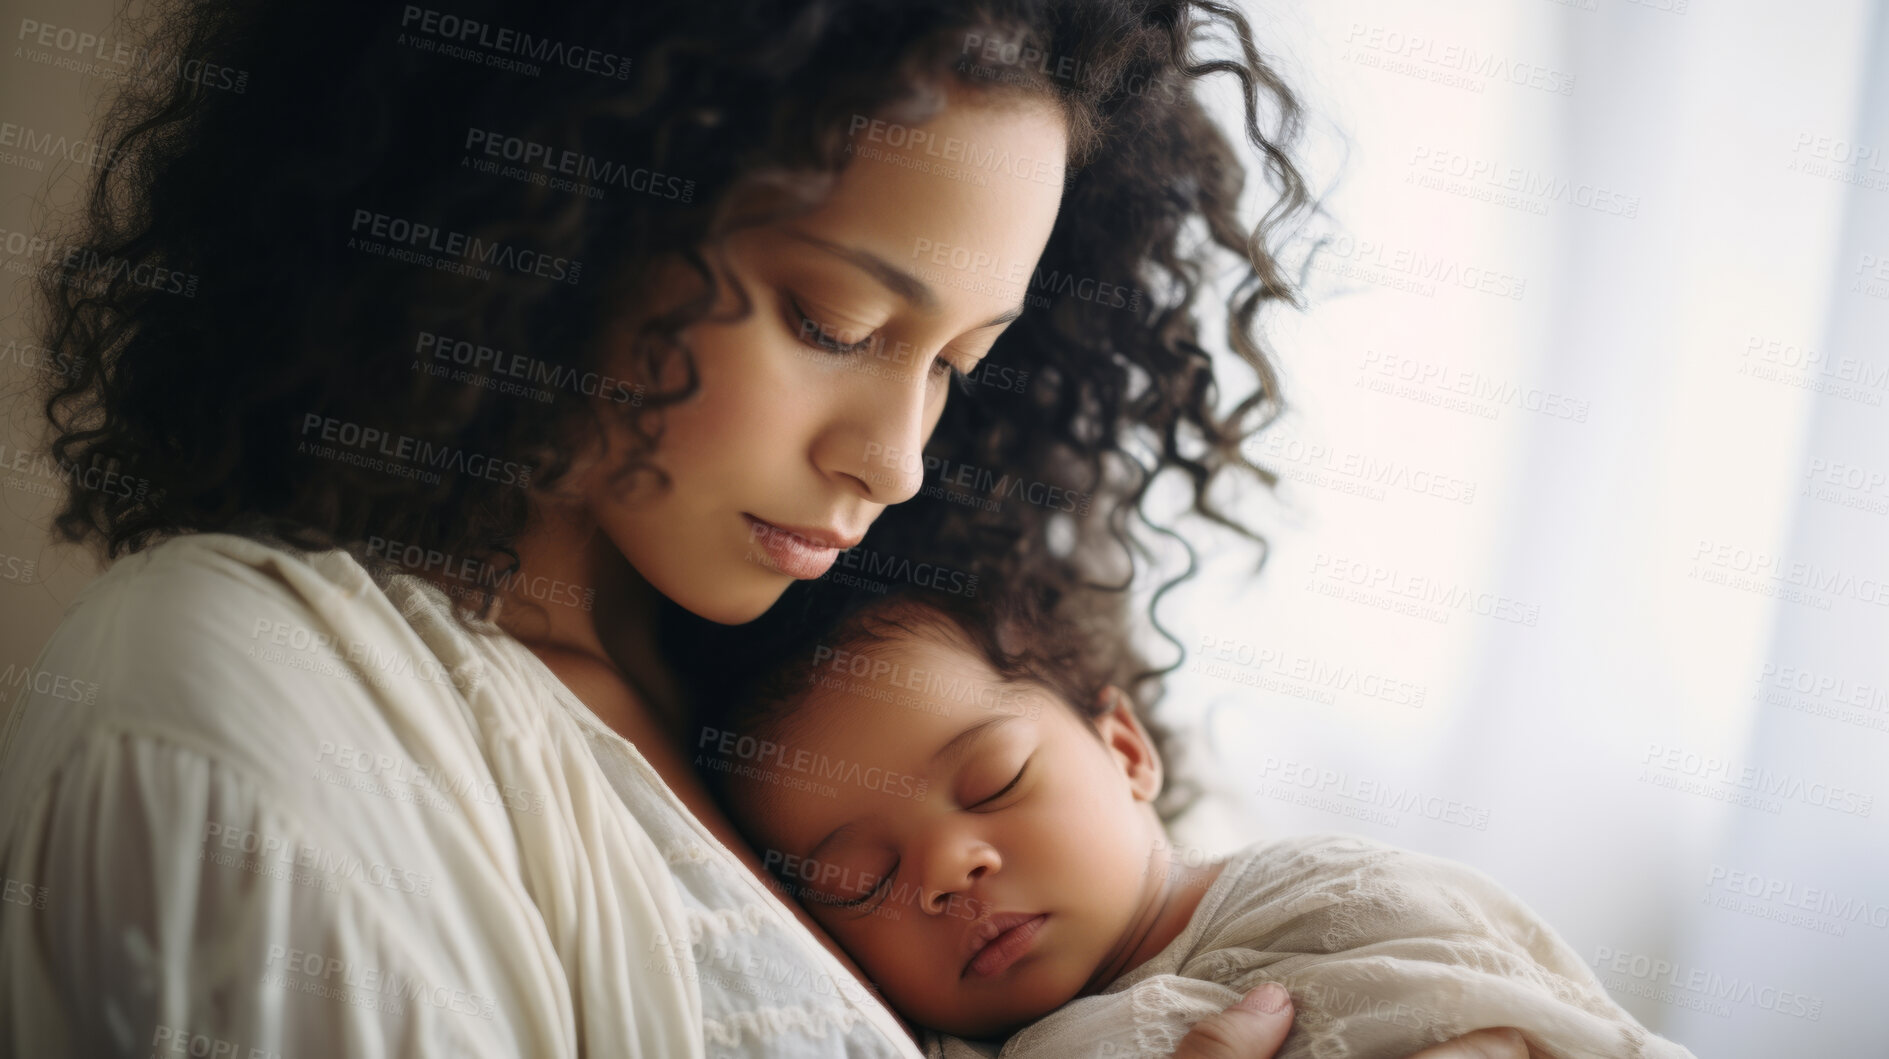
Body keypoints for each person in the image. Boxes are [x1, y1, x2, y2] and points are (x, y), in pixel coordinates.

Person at [0, 1, 1529, 1056]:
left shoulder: (866, 679)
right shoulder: (236, 696)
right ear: (537, 219)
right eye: (833, 316)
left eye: (958, 365)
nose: (899, 459)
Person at [695, 588, 1702, 1059]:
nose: (951, 869)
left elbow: (1483, 1016)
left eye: (994, 780)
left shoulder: (1316, 898)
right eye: (861, 883)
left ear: (1125, 751)